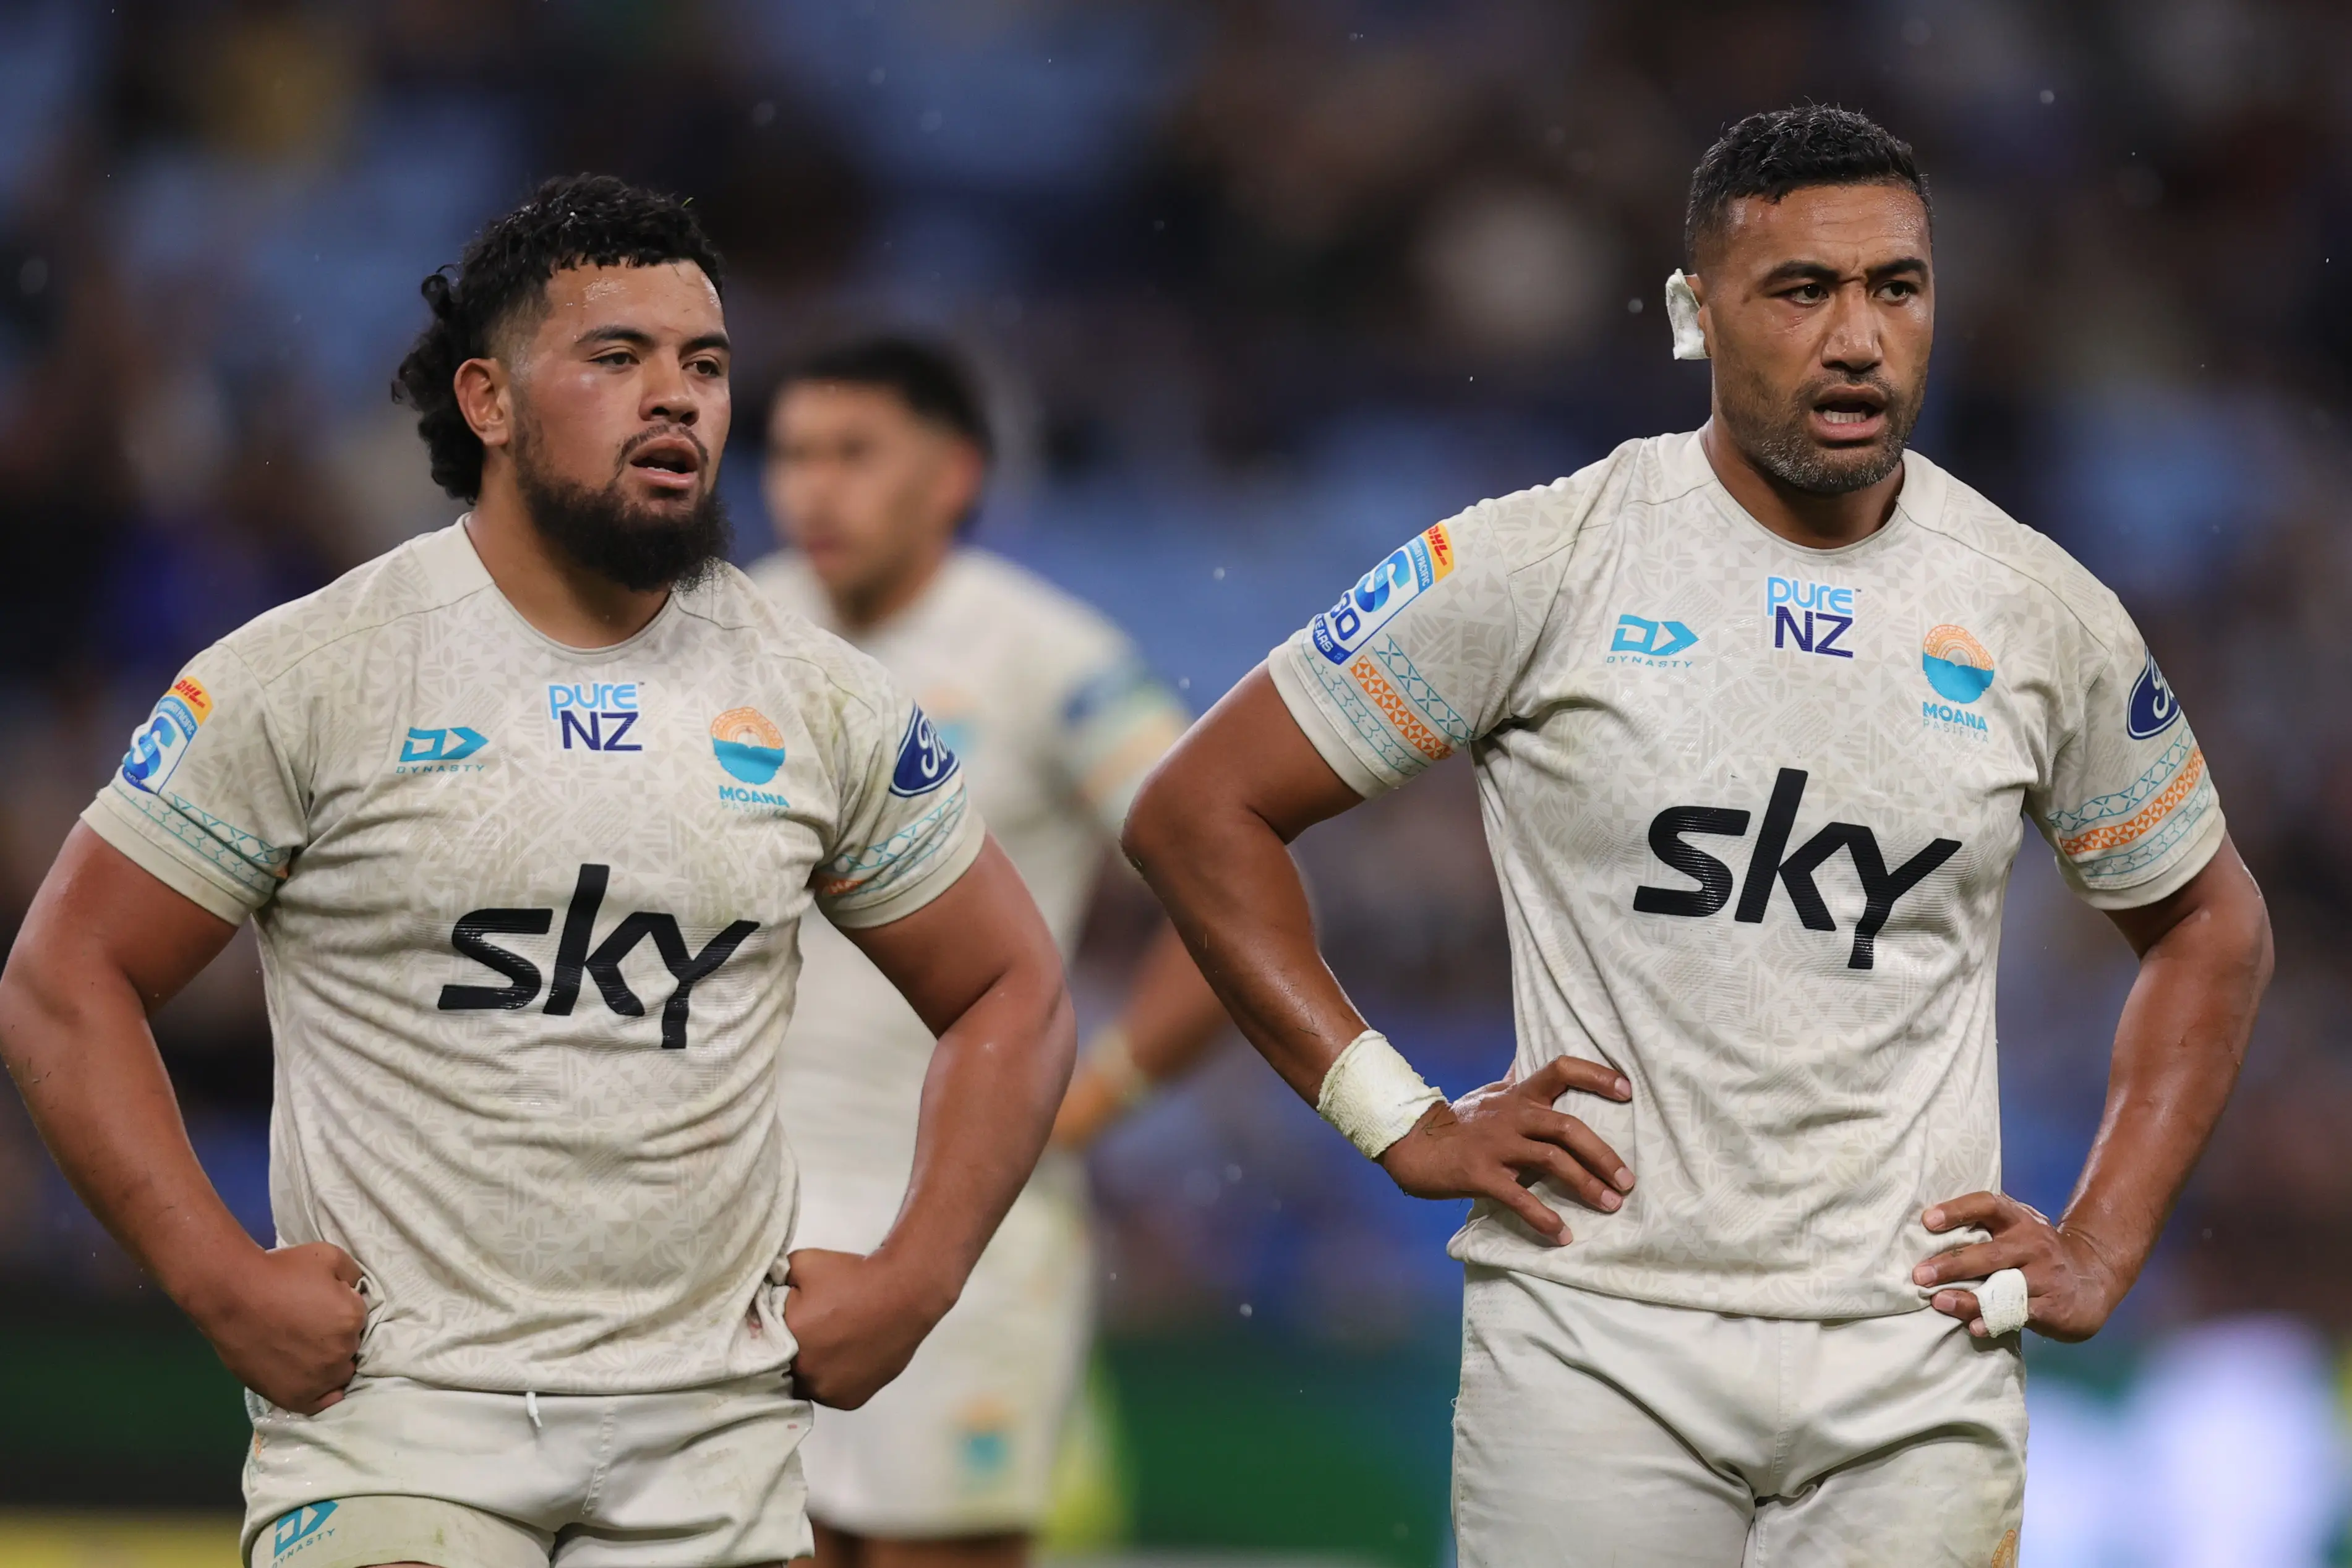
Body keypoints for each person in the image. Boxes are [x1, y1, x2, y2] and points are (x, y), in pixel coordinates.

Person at [1121, 106, 2273, 1566]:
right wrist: (1395, 1116)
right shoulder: (1544, 557)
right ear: (1692, 313)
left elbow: (2208, 923)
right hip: (1594, 1335)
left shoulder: (2036, 608)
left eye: (1895, 288)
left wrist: (2104, 1236)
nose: (1856, 336)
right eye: (1800, 289)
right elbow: (1193, 811)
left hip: (1909, 1351)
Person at [0, 176, 1076, 1568]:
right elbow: (61, 976)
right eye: (616, 358)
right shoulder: (313, 672)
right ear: (489, 402)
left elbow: (1011, 984)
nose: (677, 399)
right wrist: (218, 1281)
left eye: (705, 364)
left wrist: (917, 1279)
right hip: (397, 1420)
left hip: (714, 1435)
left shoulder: (818, 697)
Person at [750, 336, 1228, 1568]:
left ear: (954, 473)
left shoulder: (1049, 661)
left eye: (854, 453)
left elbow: (1225, 885)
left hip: (966, 1219)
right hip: (743, 1212)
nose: (813, 489)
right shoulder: (725, 634)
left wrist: (1088, 1099)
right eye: (793, 454)